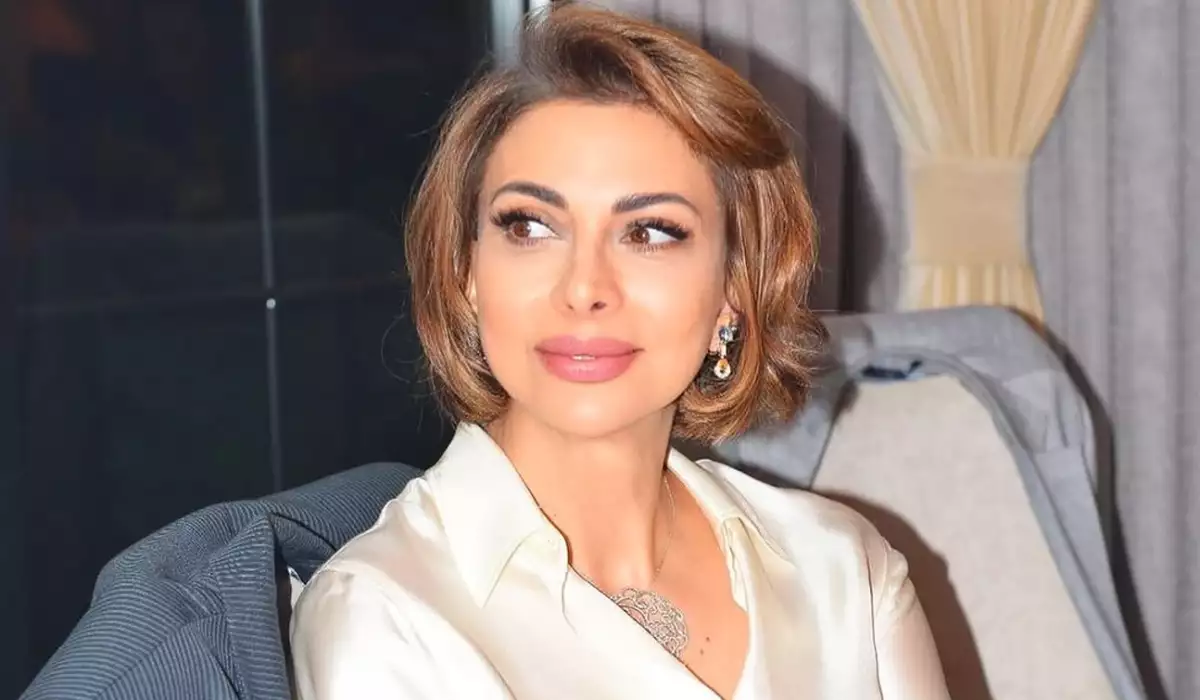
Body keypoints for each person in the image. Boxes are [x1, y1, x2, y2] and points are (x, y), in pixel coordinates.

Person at [290, 4, 950, 698]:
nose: (584, 289)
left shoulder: (845, 572)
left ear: (734, 287)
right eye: (531, 227)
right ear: (467, 272)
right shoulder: (384, 617)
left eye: (651, 232)